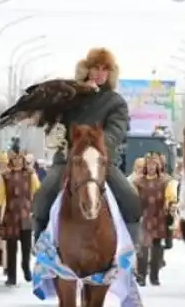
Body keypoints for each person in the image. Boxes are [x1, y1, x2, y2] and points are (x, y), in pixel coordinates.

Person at [32, 48, 142, 243]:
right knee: (43, 196)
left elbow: (116, 132)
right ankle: (40, 242)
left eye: (104, 69)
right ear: (87, 70)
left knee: (130, 199)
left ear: (110, 73)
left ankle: (133, 249)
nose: (99, 73)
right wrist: (55, 132)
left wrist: (91, 146)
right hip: (67, 160)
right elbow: (55, 121)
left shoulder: (116, 102)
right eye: (95, 68)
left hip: (102, 162)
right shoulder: (71, 96)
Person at [0, 148, 39, 287]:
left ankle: (26, 267)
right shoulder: (5, 176)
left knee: (26, 246)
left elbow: (37, 191)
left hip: (25, 213)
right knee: (11, 247)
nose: (17, 161)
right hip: (11, 213)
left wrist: (36, 209)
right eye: (14, 159)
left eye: (20, 158)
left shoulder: (30, 174)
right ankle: (11, 276)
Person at [133, 152, 173, 287]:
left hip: (159, 215)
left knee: (156, 248)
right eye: (149, 164)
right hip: (144, 216)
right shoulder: (138, 181)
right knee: (143, 247)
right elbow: (135, 198)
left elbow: (171, 197)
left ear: (158, 166)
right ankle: (141, 275)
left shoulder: (165, 181)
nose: (151, 167)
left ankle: (154, 276)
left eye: (154, 165)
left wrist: (170, 206)